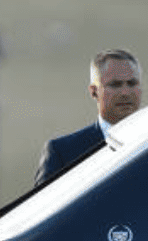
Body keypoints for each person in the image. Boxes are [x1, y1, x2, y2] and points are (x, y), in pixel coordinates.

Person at [34, 49, 142, 186]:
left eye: (132, 83)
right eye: (115, 85)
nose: (125, 92)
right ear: (94, 91)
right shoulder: (64, 154)